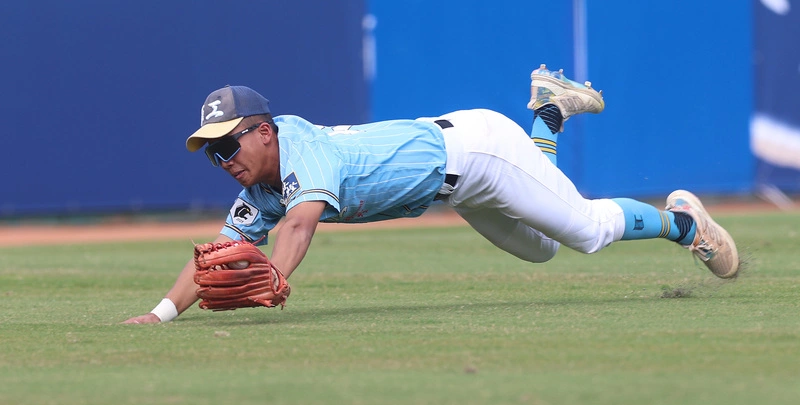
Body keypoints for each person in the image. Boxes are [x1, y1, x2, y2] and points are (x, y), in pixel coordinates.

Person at [123, 65, 738, 324]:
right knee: (542, 251)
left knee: (584, 231)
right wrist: (159, 315)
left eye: (229, 145)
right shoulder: (259, 185)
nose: (222, 160)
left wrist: (276, 278)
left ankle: (681, 222)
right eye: (212, 152)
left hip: (477, 152)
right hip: (462, 184)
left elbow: (299, 226)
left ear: (264, 131)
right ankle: (547, 118)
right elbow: (220, 247)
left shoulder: (299, 145)